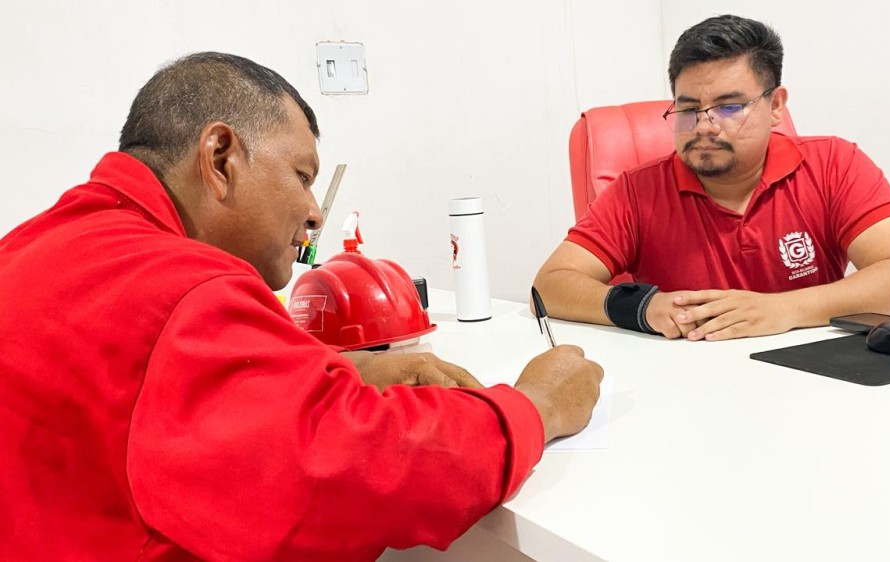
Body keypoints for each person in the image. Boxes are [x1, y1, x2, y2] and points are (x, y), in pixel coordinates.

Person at [0, 52, 603, 561]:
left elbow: (135, 394)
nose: (315, 211)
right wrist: (535, 406)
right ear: (219, 157)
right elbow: (360, 471)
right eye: (300, 174)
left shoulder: (36, 245)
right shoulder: (186, 287)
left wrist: (338, 371)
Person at [534, 14, 890, 341]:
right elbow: (550, 286)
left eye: (729, 107)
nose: (705, 126)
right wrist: (642, 307)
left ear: (776, 105)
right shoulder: (637, 190)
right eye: (688, 108)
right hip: (686, 387)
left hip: (812, 379)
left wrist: (782, 309)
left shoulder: (834, 163)